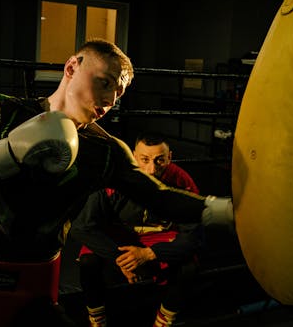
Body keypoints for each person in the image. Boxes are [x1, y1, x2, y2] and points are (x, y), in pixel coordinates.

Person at [0, 38, 233, 327]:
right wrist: (10, 151)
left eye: (118, 93)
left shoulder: (105, 152)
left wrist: (231, 212)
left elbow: (159, 198)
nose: (109, 99)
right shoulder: (4, 113)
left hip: (36, 285)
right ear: (72, 67)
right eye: (104, 82)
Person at [70, 132, 205, 327]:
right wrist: (124, 261)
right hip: (118, 238)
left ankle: (163, 321)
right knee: (88, 262)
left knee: (188, 267)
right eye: (144, 159)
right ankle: (97, 320)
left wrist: (149, 254)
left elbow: (195, 235)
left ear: (170, 157)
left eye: (160, 160)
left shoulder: (181, 180)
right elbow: (81, 227)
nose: (151, 169)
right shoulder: (113, 176)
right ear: (133, 156)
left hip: (158, 237)